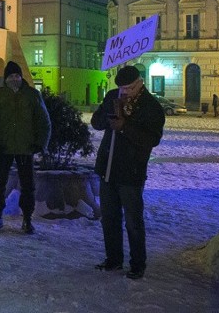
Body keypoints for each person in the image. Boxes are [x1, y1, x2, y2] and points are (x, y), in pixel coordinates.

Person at [91, 65, 165, 280]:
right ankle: (113, 259)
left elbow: (152, 139)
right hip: (108, 167)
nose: (124, 92)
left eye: (129, 88)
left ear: (139, 83)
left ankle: (137, 264)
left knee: (133, 221)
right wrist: (109, 117)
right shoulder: (113, 96)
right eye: (122, 88)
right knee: (109, 218)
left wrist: (124, 126)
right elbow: (96, 122)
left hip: (131, 171)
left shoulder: (150, 106)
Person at [0, 61, 51, 234]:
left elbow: (44, 121)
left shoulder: (32, 95)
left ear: (21, 77)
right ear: (6, 79)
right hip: (3, 147)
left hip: (25, 147)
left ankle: (27, 218)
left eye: (17, 76)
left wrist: (40, 143)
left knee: (28, 185)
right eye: (11, 76)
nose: (14, 79)